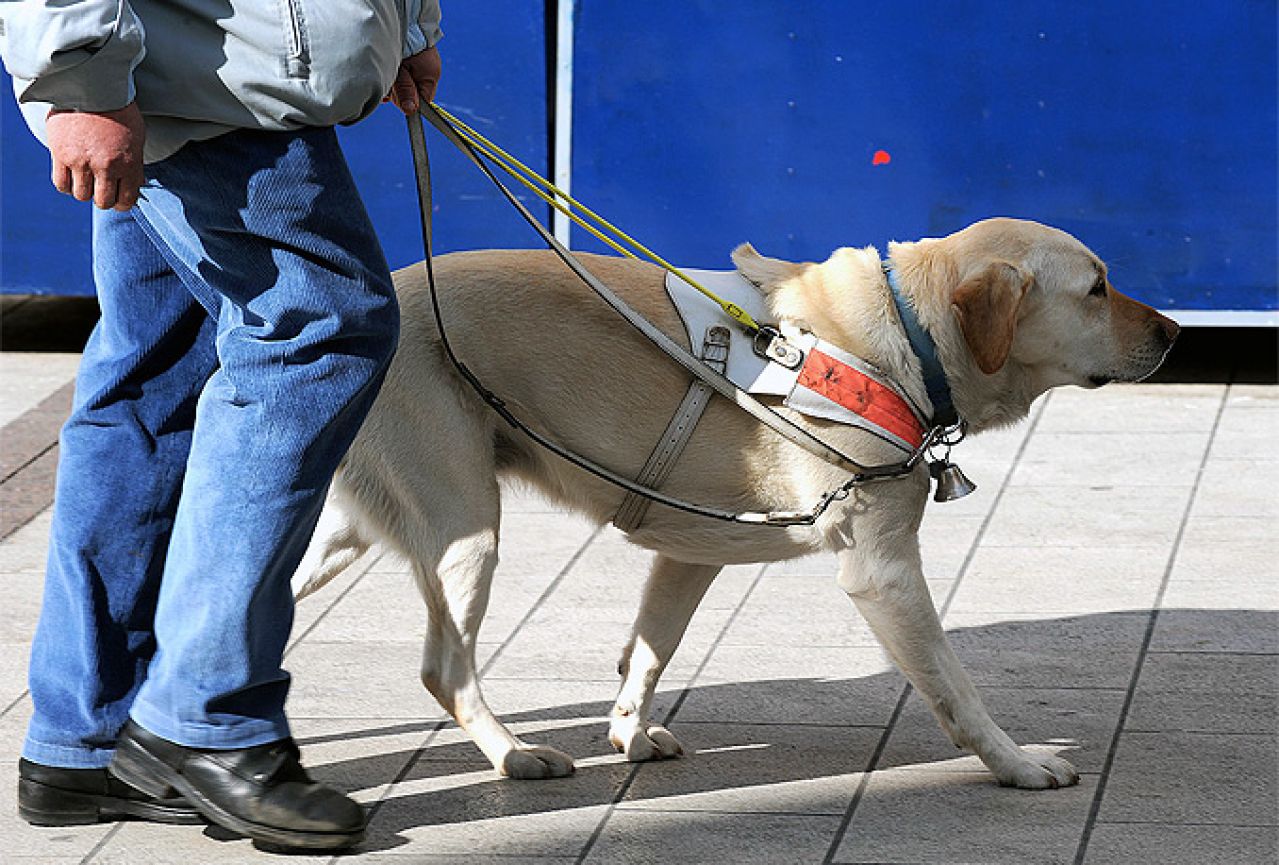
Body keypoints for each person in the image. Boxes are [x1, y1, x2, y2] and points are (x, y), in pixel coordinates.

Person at [1, 0, 442, 851]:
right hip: (201, 76)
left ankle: (89, 735)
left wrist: (401, 24)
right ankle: (205, 717)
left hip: (200, 69)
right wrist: (81, 77)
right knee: (319, 330)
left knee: (154, 378)